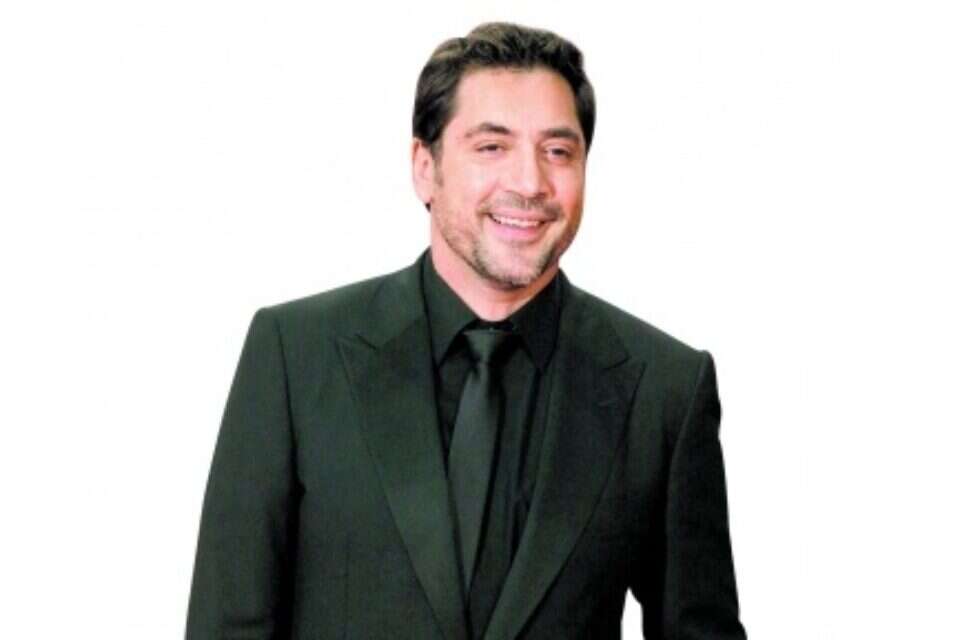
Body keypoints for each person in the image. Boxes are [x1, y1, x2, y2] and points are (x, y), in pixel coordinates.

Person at [186, 21, 747, 640]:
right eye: (491, 147)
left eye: (558, 152)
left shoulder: (665, 391)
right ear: (424, 168)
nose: (530, 183)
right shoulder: (295, 356)